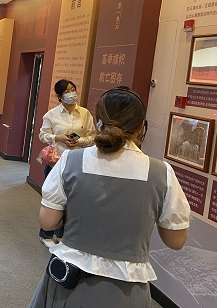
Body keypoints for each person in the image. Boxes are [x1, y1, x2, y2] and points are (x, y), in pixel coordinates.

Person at [29, 86, 190, 307]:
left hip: (71, 283)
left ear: (98, 123)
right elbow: (175, 240)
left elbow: (47, 221)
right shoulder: (161, 172)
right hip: (127, 291)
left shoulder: (71, 161)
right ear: (141, 128)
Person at [38, 79, 96, 247]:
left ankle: (62, 234)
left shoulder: (85, 113)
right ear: (60, 96)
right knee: (53, 198)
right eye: (67, 91)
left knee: (72, 200)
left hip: (78, 162)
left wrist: (80, 141)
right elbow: (43, 136)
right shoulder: (51, 115)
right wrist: (58, 137)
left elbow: (92, 136)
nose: (72, 94)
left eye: (73, 90)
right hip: (56, 162)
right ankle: (46, 234)